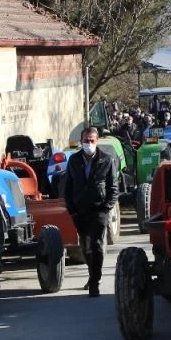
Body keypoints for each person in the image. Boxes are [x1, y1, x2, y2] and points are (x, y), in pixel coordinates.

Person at [63, 127, 119, 297]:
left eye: (92, 140)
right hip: (80, 211)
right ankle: (92, 273)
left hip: (99, 209)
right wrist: (71, 209)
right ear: (81, 141)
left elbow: (113, 187)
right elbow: (68, 187)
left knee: (97, 246)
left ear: (97, 141)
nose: (89, 144)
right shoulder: (74, 160)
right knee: (86, 247)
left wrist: (107, 207)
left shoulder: (106, 160)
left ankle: (95, 281)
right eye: (86, 140)